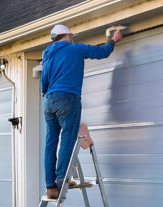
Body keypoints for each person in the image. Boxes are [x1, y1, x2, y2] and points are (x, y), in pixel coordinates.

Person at [41, 24, 122, 198]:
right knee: (68, 140)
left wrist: (46, 93)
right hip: (68, 99)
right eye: (71, 36)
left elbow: (44, 80)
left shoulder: (47, 54)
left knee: (51, 143)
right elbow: (102, 52)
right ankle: (62, 180)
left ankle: (50, 186)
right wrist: (113, 40)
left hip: (49, 101)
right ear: (67, 36)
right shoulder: (76, 49)